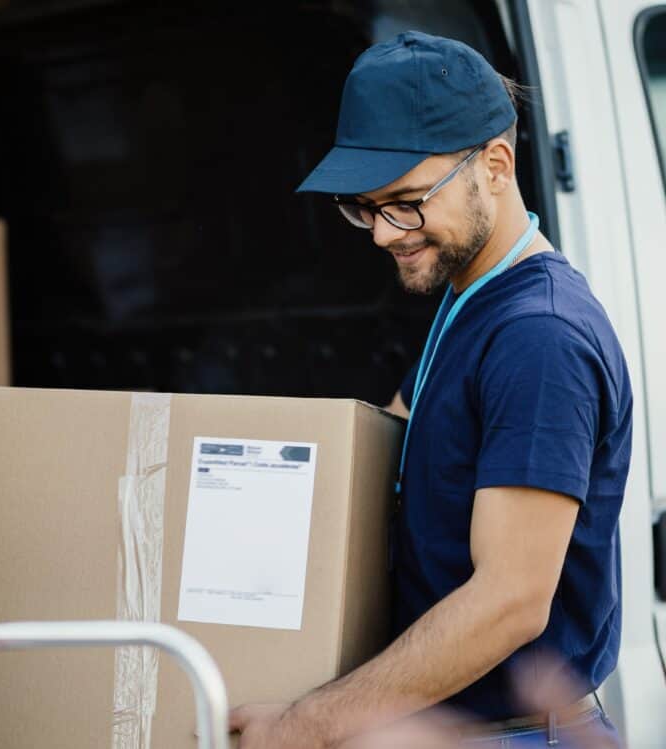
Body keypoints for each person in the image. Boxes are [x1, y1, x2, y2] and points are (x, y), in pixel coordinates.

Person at [229, 31, 631, 748]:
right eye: (365, 208)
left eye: (407, 202)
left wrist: (307, 723)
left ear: (497, 166)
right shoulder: (469, 303)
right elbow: (382, 444)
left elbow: (509, 600)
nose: (383, 233)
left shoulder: (540, 337)